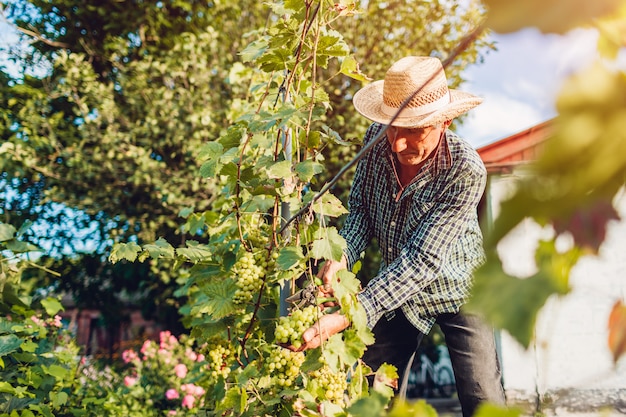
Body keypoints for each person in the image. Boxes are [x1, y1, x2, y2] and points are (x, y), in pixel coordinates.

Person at [293, 56, 506, 416]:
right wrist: (342, 257)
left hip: (460, 288)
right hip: (399, 292)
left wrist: (349, 315)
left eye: (414, 131)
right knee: (375, 396)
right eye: (394, 128)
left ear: (445, 122)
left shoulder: (466, 170)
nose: (397, 143)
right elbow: (360, 208)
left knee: (483, 395)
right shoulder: (375, 142)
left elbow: (422, 261)